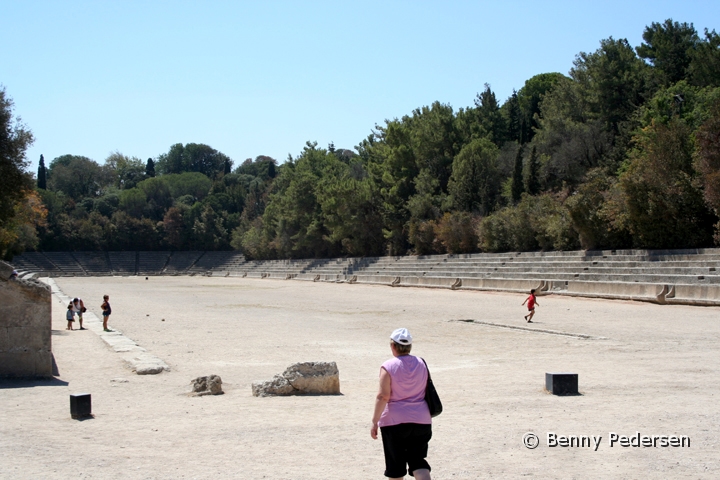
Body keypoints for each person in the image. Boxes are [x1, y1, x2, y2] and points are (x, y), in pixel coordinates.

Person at [371, 328, 432, 480]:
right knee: (418, 462)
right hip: (421, 419)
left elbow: (383, 396)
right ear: (409, 346)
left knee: (396, 467)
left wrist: (374, 421)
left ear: (392, 346)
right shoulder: (421, 363)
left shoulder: (388, 366)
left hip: (394, 421)